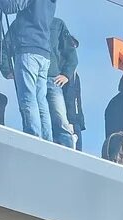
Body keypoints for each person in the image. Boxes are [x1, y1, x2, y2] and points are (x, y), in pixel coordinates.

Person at [0, 0, 58, 141]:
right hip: (43, 52)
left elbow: (11, 6)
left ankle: (33, 138)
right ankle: (47, 141)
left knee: (28, 99)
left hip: (28, 49)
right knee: (40, 100)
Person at [45, 15, 77, 148]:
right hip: (33, 78)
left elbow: (72, 53)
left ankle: (69, 153)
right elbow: (8, 44)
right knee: (38, 117)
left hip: (53, 79)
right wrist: (8, 71)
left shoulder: (57, 24)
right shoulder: (23, 20)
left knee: (61, 122)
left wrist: (66, 74)